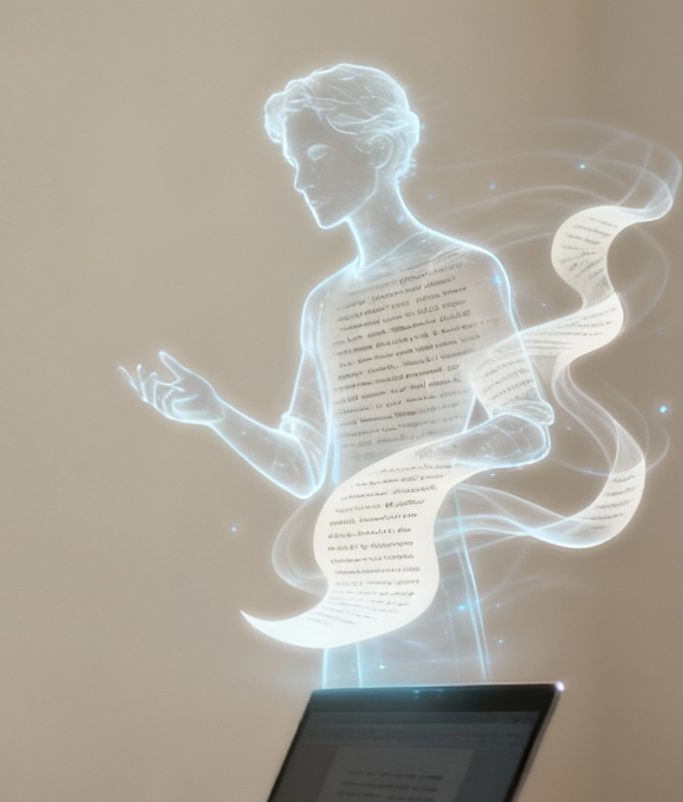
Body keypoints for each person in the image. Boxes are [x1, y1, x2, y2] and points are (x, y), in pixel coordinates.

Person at [124, 64, 555, 686]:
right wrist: (216, 414)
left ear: (376, 149)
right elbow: (305, 467)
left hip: (426, 568)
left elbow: (526, 428)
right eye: (295, 162)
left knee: (432, 763)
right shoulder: (325, 304)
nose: (302, 179)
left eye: (319, 154)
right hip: (352, 577)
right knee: (353, 766)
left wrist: (411, 472)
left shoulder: (464, 272)